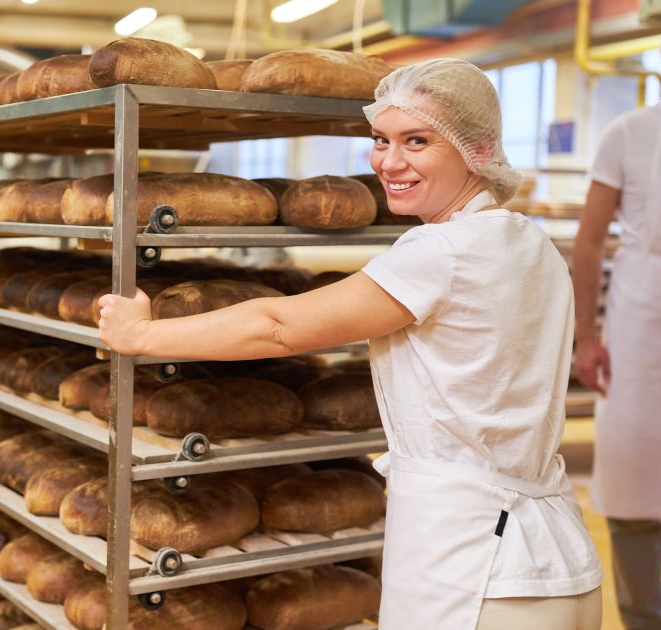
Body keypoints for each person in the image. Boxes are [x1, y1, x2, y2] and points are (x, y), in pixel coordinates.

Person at [98, 58, 602, 629]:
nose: (390, 161)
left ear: (479, 150)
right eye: (380, 140)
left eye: (417, 141)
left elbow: (278, 326)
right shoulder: (529, 243)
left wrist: (141, 333)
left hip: (476, 566)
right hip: (551, 552)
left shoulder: (441, 253)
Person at [572, 14, 661, 630]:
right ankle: (647, 621)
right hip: (643, 320)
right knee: (634, 484)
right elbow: (589, 243)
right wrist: (586, 337)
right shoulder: (629, 132)